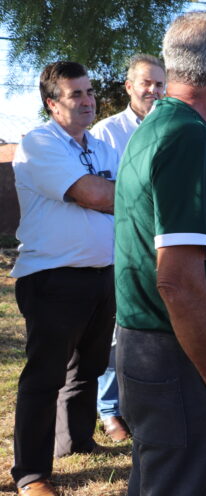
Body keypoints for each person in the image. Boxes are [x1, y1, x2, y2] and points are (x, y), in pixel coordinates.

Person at [114, 11, 206, 496]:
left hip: (159, 347)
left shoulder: (158, 125)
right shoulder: (188, 137)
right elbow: (177, 280)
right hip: (183, 355)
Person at [10, 61, 119, 496]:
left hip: (102, 274)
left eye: (90, 92)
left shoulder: (101, 146)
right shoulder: (39, 142)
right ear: (52, 103)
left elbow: (114, 194)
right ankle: (32, 475)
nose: (89, 100)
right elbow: (92, 194)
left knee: (88, 368)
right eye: (76, 94)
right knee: (45, 376)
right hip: (52, 278)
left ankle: (75, 440)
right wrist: (142, 195)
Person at [89, 53, 166, 443]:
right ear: (129, 86)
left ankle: (141, 404)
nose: (153, 90)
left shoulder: (170, 126)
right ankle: (108, 409)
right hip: (121, 249)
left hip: (162, 249)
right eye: (146, 83)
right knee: (115, 333)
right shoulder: (106, 133)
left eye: (159, 83)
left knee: (149, 331)